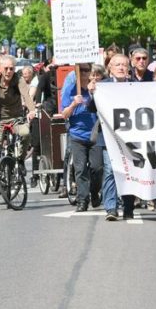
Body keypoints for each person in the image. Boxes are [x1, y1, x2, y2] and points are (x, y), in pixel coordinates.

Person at [0, 56, 37, 195]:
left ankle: (20, 160)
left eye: (11, 68)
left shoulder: (18, 80)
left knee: (25, 133)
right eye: (6, 68)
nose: (9, 71)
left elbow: (26, 95)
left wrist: (32, 110)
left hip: (16, 118)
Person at [94, 54, 135, 220]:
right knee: (110, 171)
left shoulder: (136, 86)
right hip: (108, 138)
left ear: (128, 68)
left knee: (129, 172)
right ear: (110, 68)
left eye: (124, 65)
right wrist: (91, 93)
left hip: (130, 139)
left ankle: (128, 207)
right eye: (117, 65)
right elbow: (91, 108)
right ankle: (111, 208)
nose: (121, 68)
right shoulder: (101, 86)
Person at [61, 63, 102, 212]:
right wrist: (73, 104)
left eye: (87, 70)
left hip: (95, 134)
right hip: (77, 134)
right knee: (80, 169)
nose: (84, 73)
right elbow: (64, 114)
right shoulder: (70, 89)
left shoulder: (98, 89)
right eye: (81, 70)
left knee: (97, 167)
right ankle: (82, 200)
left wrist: (92, 94)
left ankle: (94, 192)